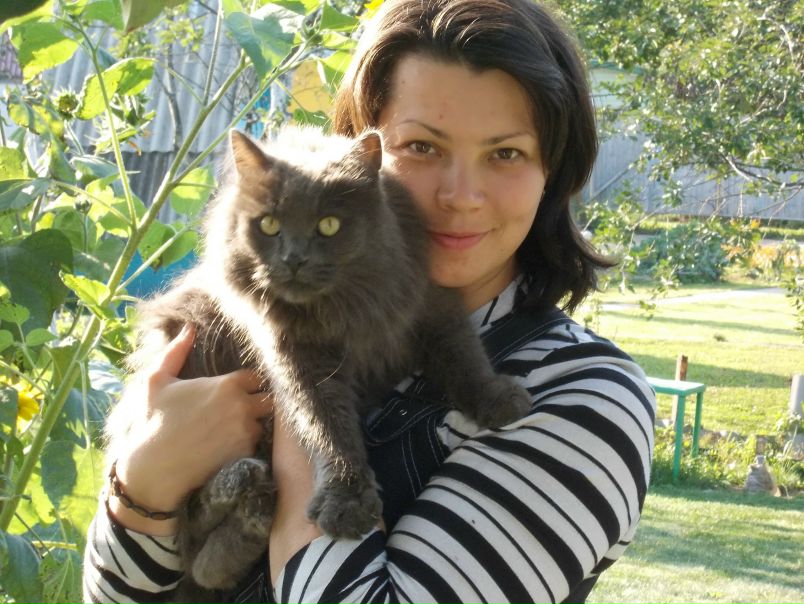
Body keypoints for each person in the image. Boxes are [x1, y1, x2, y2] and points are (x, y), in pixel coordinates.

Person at [83, 0, 656, 602]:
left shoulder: (588, 399)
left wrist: (293, 365)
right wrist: (142, 487)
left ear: (553, 172)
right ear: (360, 148)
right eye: (423, 147)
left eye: (505, 153)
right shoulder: (230, 316)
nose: (460, 195)